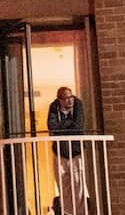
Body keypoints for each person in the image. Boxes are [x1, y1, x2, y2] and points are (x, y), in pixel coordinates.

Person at [47, 87, 87, 215]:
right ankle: (67, 213)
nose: (70, 101)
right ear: (60, 100)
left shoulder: (78, 104)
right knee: (63, 187)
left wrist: (62, 126)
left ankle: (80, 213)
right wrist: (69, 125)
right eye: (66, 98)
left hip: (76, 153)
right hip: (60, 153)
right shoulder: (54, 107)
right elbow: (52, 128)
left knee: (78, 186)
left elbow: (78, 127)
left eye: (71, 97)